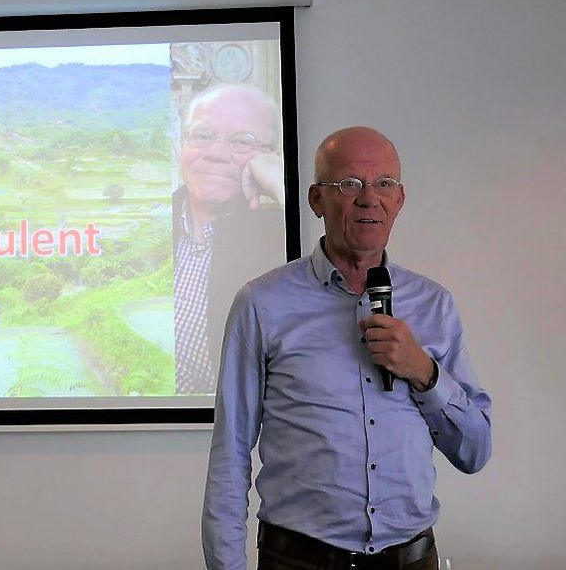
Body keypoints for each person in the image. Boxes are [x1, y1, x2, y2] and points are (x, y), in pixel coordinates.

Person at [202, 126, 492, 570]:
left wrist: (425, 373)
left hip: (412, 559)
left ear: (400, 200)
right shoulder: (262, 303)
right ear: (316, 199)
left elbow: (474, 452)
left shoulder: (435, 304)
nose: (368, 198)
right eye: (350, 184)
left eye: (384, 185)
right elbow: (231, 452)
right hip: (298, 560)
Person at [174, 84, 286, 394]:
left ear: (271, 157)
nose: (216, 154)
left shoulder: (281, 235)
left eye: (242, 141)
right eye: (203, 135)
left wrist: (283, 184)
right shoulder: (155, 221)